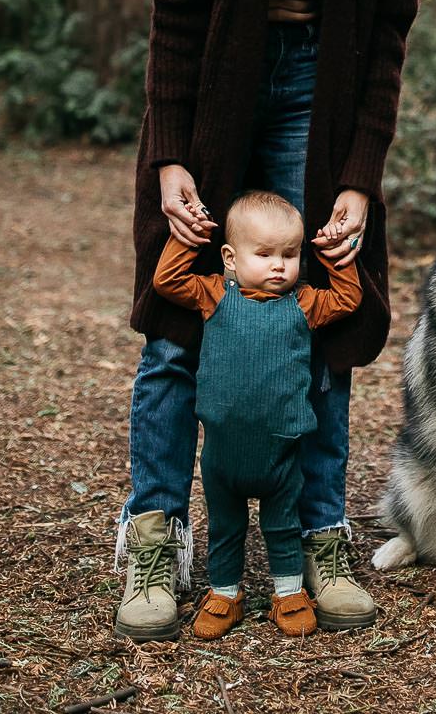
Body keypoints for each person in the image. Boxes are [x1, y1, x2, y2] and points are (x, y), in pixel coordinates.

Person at [115, 0, 423, 642]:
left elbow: (383, 54)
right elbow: (173, 16)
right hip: (216, 101)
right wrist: (171, 155)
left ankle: (319, 532)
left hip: (316, 106)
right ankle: (157, 535)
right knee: (181, 316)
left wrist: (358, 179)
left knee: (319, 302)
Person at [152, 191, 363, 638]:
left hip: (282, 454)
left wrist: (334, 255)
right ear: (229, 257)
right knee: (225, 526)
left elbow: (347, 300)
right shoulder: (213, 294)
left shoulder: (303, 302)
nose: (278, 265)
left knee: (283, 523)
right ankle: (225, 594)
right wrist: (189, 240)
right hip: (222, 456)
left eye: (290, 254)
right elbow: (167, 281)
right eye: (264, 254)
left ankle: (288, 593)